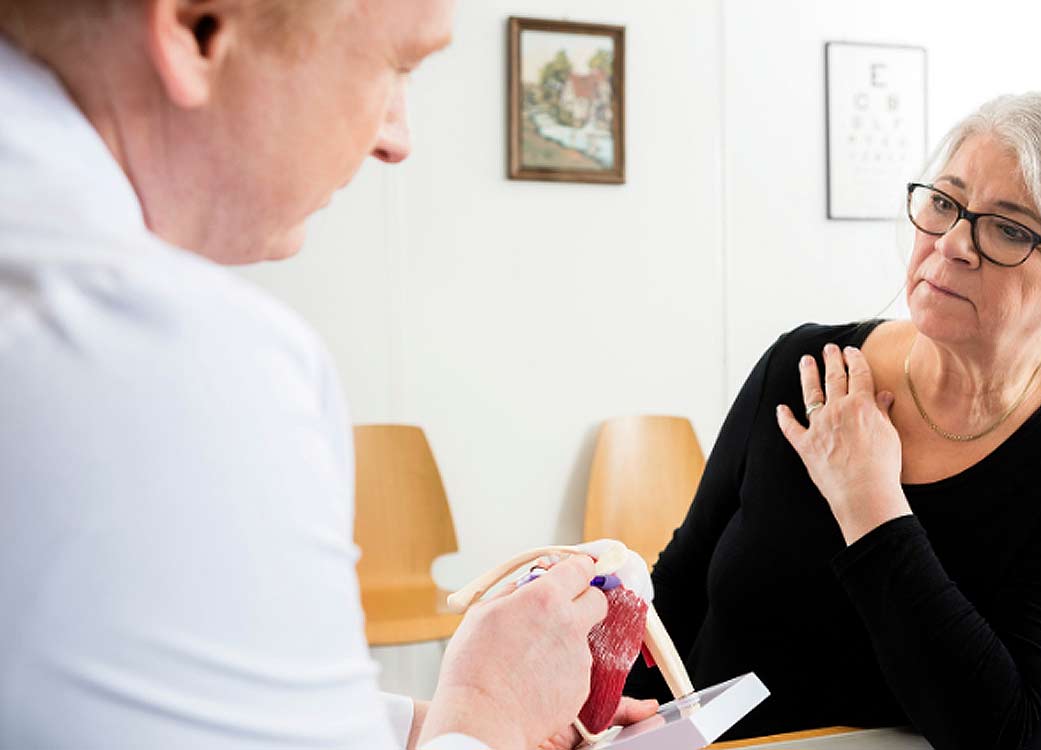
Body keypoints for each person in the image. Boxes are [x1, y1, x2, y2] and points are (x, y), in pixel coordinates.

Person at [0, 1, 655, 748]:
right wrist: (486, 709)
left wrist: (425, 729)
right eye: (395, 66)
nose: (397, 138)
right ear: (197, 28)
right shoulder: (156, 356)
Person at [624, 93, 1041, 749]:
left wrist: (869, 499)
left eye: (1008, 229)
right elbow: (676, 594)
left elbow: (1008, 732)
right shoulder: (802, 364)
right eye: (944, 202)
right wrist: (601, 714)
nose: (953, 243)